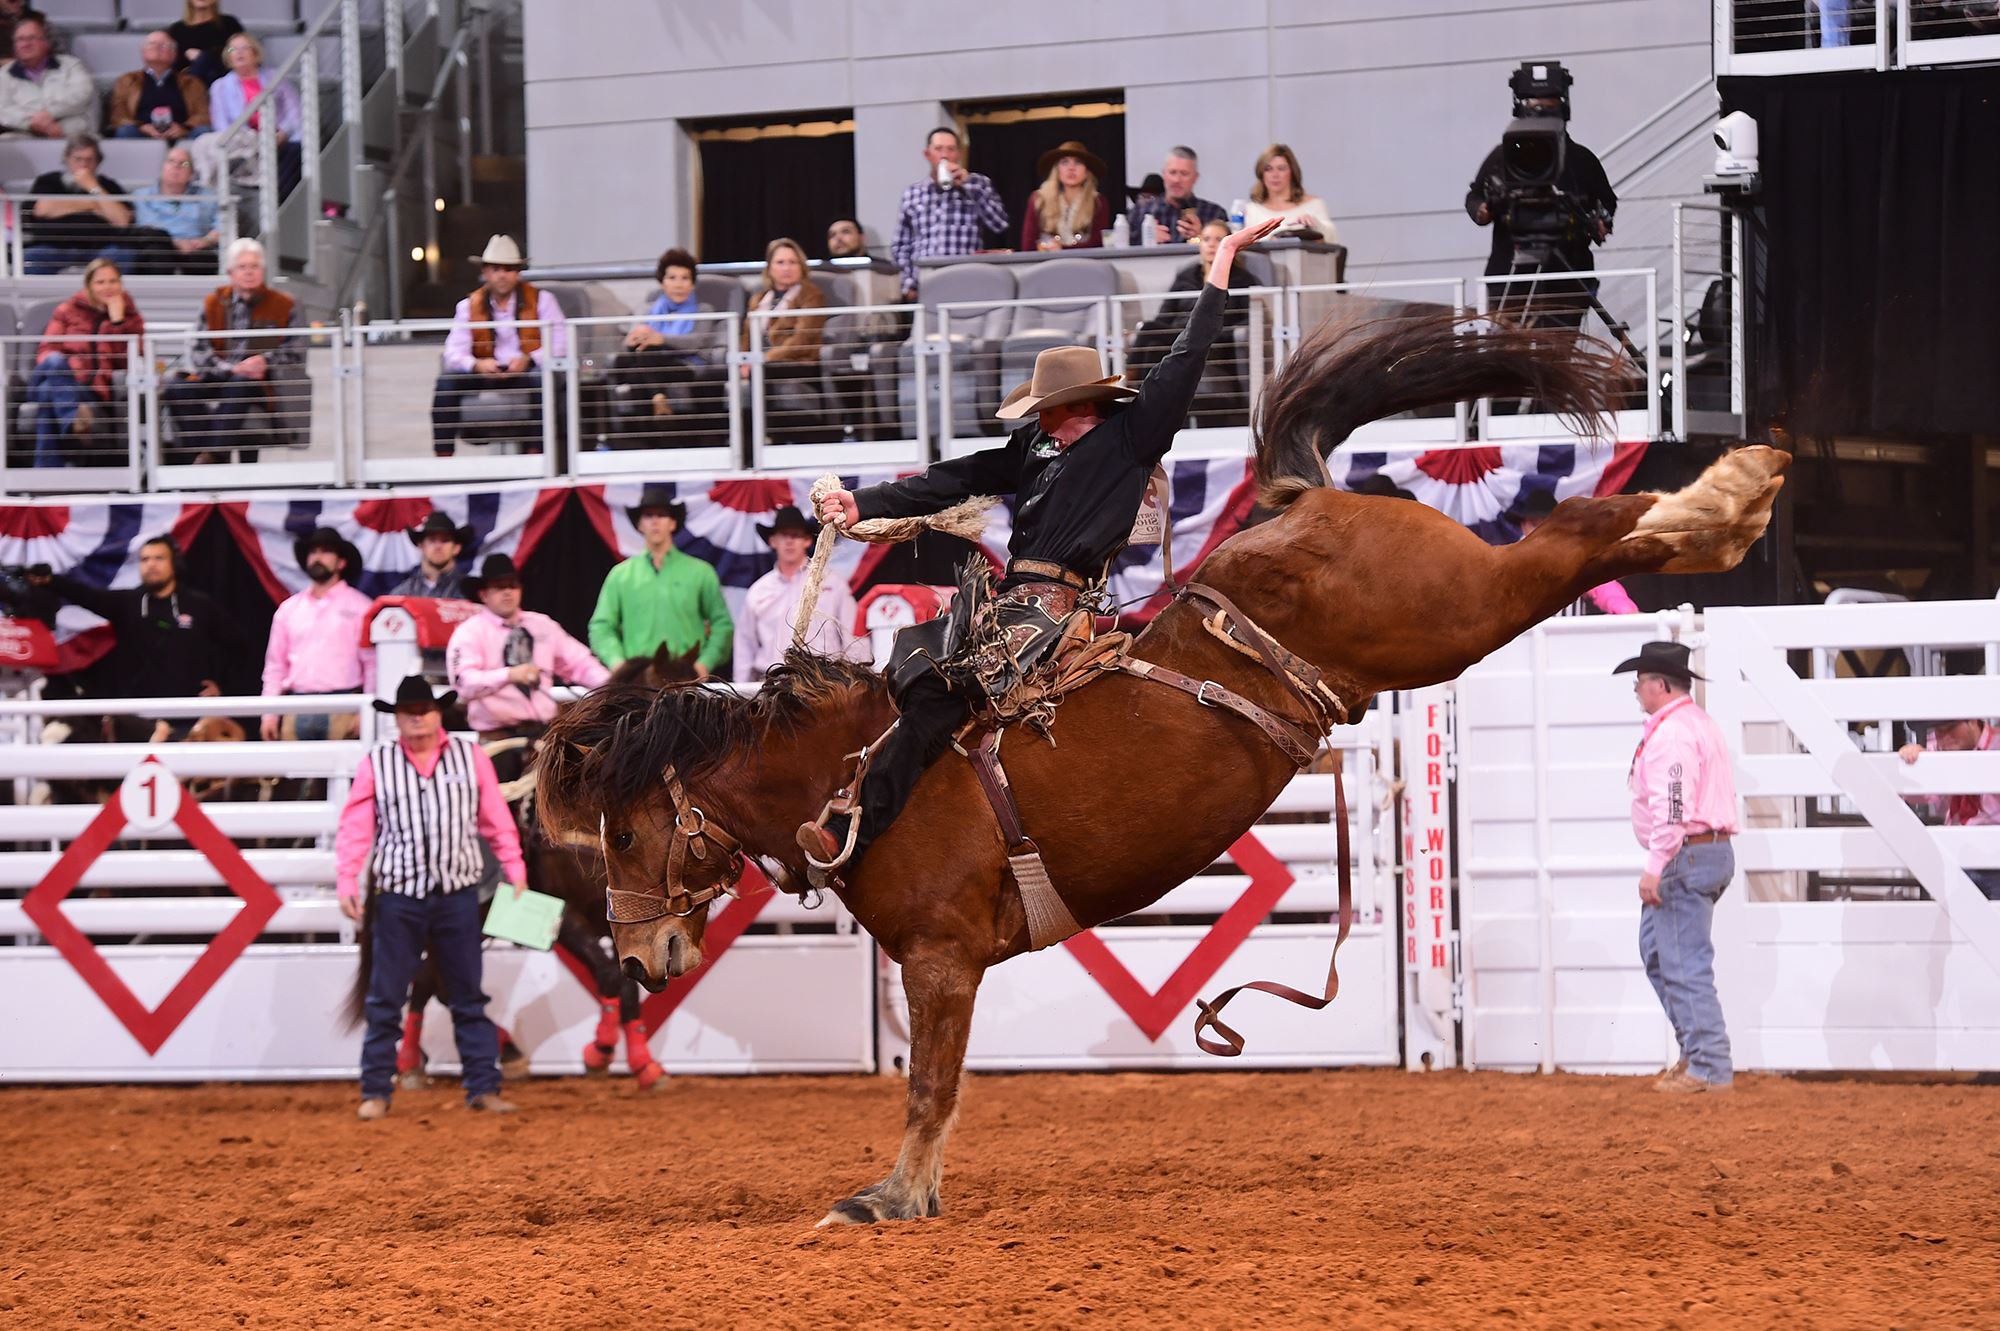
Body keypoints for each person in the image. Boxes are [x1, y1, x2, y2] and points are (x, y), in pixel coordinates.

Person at [797, 216, 1285, 883]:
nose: (1033, 417)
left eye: (1040, 406)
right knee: (911, 662)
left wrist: (1221, 261)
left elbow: (1189, 354)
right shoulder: (1036, 448)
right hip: (1009, 605)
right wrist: (867, 502)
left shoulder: (1130, 437)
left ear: (1065, 404)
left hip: (1051, 611)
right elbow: (958, 478)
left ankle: (856, 827)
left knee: (943, 690)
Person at [337, 675, 525, 1121]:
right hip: (399, 895)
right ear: (397, 718)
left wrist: (514, 867)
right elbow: (356, 828)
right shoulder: (378, 763)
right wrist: (346, 879)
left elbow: (495, 819)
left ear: (438, 713)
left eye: (425, 709)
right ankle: (376, 1089)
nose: (418, 718)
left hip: (456, 894)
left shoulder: (469, 757)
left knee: (467, 996)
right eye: (409, 711)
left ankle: (482, 1086)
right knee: (385, 997)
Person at [1615, 640, 1738, 1095]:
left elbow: (1673, 806)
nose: (1636, 690)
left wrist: (1655, 864)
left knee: (1682, 963)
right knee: (1658, 953)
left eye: (1640, 682)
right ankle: (1698, 1055)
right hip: (1698, 852)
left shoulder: (1671, 734)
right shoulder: (1695, 725)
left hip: (1684, 855)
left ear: (1659, 685)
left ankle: (1709, 1066)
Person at [30, 536, 246, 739]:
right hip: (135, 718)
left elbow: (237, 644)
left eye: (159, 558)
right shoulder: (127, 603)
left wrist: (220, 685)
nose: (151, 564)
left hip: (188, 716)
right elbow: (87, 596)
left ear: (174, 564)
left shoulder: (199, 605)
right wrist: (51, 581)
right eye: (145, 559)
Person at [1466, 62, 1616, 328]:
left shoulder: (1581, 160)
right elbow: (1475, 196)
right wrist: (1483, 209)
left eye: (1548, 108)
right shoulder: (1502, 158)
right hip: (1509, 273)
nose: (1541, 115)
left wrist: (1601, 221)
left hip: (1566, 276)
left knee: (1557, 356)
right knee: (1509, 354)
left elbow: (1606, 200)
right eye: (1535, 107)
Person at [447, 553, 610, 781]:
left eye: (512, 585)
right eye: (499, 587)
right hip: (498, 738)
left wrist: (611, 685)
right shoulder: (470, 632)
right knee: (500, 802)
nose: (507, 592)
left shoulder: (542, 626)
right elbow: (464, 682)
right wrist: (509, 675)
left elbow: (579, 662)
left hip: (544, 734)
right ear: (483, 594)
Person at [161, 237, 301, 462]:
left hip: (259, 383)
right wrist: (230, 369)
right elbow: (199, 350)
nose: (249, 272)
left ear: (263, 271)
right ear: (230, 273)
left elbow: (296, 350)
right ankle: (204, 456)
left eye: (254, 266)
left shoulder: (284, 304)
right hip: (217, 377)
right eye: (242, 267)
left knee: (241, 384)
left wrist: (265, 361)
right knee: (177, 387)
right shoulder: (213, 302)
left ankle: (213, 457)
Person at [431, 234, 569, 457]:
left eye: (508, 269)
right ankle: (444, 458)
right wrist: (476, 365)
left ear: (518, 273)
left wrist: (530, 359)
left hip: (527, 369)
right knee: (446, 383)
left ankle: (536, 455)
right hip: (486, 370)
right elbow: (453, 352)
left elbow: (561, 342)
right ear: (485, 273)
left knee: (541, 379)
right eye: (496, 269)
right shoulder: (467, 306)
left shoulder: (543, 300)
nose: (502, 275)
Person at [587, 485, 732, 677]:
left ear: (673, 523)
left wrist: (704, 665)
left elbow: (722, 624)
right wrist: (619, 665)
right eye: (648, 515)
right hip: (638, 682)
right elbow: (601, 627)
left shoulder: (701, 572)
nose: (655, 521)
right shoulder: (620, 575)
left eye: (661, 515)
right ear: (640, 525)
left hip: (686, 678)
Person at [260, 527, 375, 743]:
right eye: (313, 552)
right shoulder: (288, 609)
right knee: (296, 774)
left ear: (341, 562)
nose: (317, 558)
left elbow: (372, 665)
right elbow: (275, 667)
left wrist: (365, 712)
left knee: (343, 772)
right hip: (297, 704)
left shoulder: (361, 607)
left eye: (325, 552)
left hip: (344, 703)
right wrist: (269, 714)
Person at [27, 258, 143, 468]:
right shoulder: (67, 311)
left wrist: (117, 323)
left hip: (89, 391)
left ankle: (46, 474)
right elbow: (45, 350)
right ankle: (73, 419)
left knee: (48, 394)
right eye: (100, 282)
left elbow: (132, 361)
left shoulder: (130, 318)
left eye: (113, 281)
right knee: (54, 362)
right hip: (56, 375)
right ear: (88, 285)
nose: (107, 287)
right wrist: (63, 373)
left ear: (121, 284)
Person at [733, 505, 864, 682]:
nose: (790, 541)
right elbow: (745, 646)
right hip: (773, 684)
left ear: (807, 541)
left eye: (796, 535)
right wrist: (741, 691)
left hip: (824, 685)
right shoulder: (758, 591)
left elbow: (852, 635)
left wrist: (857, 682)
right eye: (784, 535)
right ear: (772, 541)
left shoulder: (833, 584)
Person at [890, 126, 1009, 300]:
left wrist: (969, 186)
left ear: (959, 154)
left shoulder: (978, 184)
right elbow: (900, 245)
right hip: (925, 281)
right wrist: (907, 282)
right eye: (938, 149)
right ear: (927, 154)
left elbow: (1000, 224)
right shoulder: (913, 192)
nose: (944, 155)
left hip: (967, 278)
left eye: (951, 149)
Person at [1126, 217, 1254, 379]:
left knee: (1148, 329)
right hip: (1180, 335)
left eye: (1219, 240)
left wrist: (1223, 333)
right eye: (1206, 239)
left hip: (1213, 340)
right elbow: (1165, 316)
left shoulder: (1241, 279)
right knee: (1153, 345)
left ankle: (1126, 381)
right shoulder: (1186, 276)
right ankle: (1142, 398)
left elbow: (1251, 319)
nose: (1211, 244)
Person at [609, 246, 720, 427]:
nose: (678, 284)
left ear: (692, 284)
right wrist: (630, 341)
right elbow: (633, 342)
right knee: (625, 361)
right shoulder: (648, 310)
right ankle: (658, 399)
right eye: (672, 278)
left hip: (686, 365)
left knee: (641, 360)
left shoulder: (703, 310)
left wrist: (661, 339)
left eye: (685, 278)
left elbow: (696, 342)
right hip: (651, 365)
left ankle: (650, 431)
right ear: (662, 282)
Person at [1898, 717, 2000, 899]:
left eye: (1950, 728)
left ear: (1973, 721)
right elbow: (1920, 795)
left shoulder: (1996, 745)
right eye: (1938, 731)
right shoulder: (1939, 749)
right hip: (1959, 858)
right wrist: (1916, 765)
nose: (1944, 737)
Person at [24, 134, 138, 275]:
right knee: (31, 256)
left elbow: (123, 220)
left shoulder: (109, 185)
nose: (83, 165)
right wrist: (93, 204)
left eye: (89, 160)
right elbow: (42, 209)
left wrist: (93, 187)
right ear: (67, 158)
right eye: (78, 159)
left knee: (123, 256)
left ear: (97, 162)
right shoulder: (48, 181)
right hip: (54, 247)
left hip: (100, 248)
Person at [206, 32, 303, 196]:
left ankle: (277, 198)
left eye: (245, 48)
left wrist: (283, 133)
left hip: (277, 138)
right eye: (233, 50)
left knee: (297, 150)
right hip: (244, 142)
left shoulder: (275, 77)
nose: (239, 53)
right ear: (228, 57)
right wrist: (249, 140)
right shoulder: (220, 86)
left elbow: (295, 110)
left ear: (256, 54)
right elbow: (221, 124)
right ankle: (274, 199)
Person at [1512, 490, 1638, 614]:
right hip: (1524, 634)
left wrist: (1626, 610)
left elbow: (1606, 589)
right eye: (1534, 525)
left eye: (1546, 525)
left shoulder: (1576, 559)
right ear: (1524, 526)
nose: (1540, 532)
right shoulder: (1511, 563)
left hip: (1568, 632)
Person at [129, 142, 221, 274]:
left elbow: (222, 225)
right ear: (162, 168)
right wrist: (175, 243)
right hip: (159, 246)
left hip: (196, 246)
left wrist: (205, 241)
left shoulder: (208, 196)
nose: (176, 167)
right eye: (171, 161)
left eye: (184, 164)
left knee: (202, 260)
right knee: (158, 254)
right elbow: (148, 226)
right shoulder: (142, 195)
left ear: (191, 174)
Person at [741, 237, 827, 376]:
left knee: (759, 372)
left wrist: (766, 358)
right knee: (714, 375)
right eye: (780, 263)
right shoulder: (758, 299)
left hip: (797, 361)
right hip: (760, 362)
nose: (786, 268)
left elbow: (802, 340)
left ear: (801, 267)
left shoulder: (811, 295)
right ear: (769, 269)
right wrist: (743, 360)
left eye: (792, 262)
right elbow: (746, 337)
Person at [0, 15, 94, 140]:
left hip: (69, 130)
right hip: (25, 132)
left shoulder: (71, 65)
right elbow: (4, 111)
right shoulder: (4, 74)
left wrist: (49, 114)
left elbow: (82, 95)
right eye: (20, 39)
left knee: (80, 132)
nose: (25, 44)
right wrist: (33, 122)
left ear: (46, 43)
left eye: (31, 38)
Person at [108, 31, 211, 141]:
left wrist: (184, 128)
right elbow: (118, 114)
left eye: (164, 45)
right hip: (141, 134)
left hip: (181, 135)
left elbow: (202, 114)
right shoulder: (127, 80)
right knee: (125, 131)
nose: (157, 48)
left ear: (174, 55)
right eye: (152, 44)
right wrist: (142, 127)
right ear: (143, 52)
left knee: (203, 132)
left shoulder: (192, 82)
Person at [1125, 145, 1227, 246]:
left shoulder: (1214, 214)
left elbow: (1227, 251)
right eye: (1172, 172)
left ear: (1195, 178)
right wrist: (1146, 239)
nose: (1177, 180)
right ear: (1164, 174)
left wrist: (1201, 237)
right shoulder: (1140, 212)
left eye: (1184, 173)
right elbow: (1121, 250)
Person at [1021, 140, 1110, 252]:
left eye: (1078, 162)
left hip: (1085, 265)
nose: (1071, 168)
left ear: (1087, 171)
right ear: (1057, 169)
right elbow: (1028, 245)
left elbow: (1099, 243)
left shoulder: (1098, 202)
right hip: (1045, 265)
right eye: (1064, 162)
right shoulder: (1039, 199)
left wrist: (1062, 249)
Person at [1242, 143, 1337, 240]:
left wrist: (1315, 225)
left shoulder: (1314, 205)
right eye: (1268, 169)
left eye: (1281, 169)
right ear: (1261, 174)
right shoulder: (1252, 210)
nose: (1275, 175)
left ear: (1292, 172)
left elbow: (1332, 239)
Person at [392, 511, 472, 599]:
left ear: (456, 548)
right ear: (421, 546)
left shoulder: (471, 592)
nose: (438, 546)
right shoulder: (402, 594)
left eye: (445, 540)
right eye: (432, 540)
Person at [169, 0, 243, 84]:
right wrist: (185, 54)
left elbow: (234, 50)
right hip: (189, 85)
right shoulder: (177, 30)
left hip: (224, 81)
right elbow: (171, 63)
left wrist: (207, 55)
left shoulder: (229, 24)